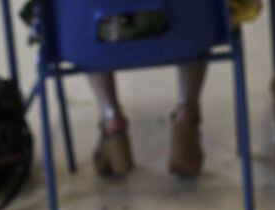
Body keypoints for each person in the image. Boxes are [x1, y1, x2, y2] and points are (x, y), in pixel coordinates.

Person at [88, 0, 261, 179]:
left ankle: (111, 119)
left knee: (82, 21)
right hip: (181, 26)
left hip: (107, 28)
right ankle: (186, 113)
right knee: (197, 19)